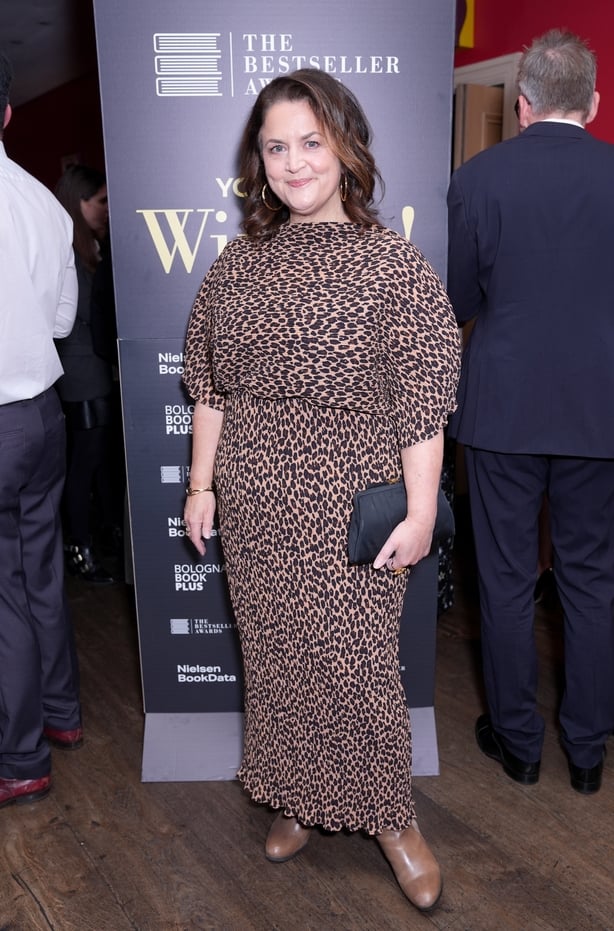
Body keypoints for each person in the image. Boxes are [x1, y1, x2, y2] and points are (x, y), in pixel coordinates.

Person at [183, 69, 460, 913]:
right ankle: (299, 798)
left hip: (349, 507)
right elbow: (211, 387)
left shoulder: (391, 264)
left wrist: (419, 511)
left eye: (311, 142)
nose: (294, 162)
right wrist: (201, 486)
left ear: (344, 145)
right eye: (276, 147)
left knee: (357, 667)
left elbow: (422, 401)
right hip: (255, 501)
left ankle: (391, 819)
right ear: (257, 161)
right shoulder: (239, 264)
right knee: (275, 663)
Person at [447, 28, 614, 795]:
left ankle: (517, 745)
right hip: (600, 414)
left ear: (521, 106)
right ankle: (587, 752)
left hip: (503, 412)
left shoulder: (478, 180)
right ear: (594, 101)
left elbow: (459, 301)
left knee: (507, 581)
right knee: (592, 580)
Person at [0, 52, 83, 810]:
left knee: (6, 595)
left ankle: (19, 758)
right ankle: (61, 716)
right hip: (41, 415)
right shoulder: (44, 204)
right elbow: (61, 322)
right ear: (6, 113)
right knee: (39, 571)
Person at [54, 165, 123, 584]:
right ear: (79, 203)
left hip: (94, 373)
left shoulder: (89, 249)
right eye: (100, 201)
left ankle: (93, 543)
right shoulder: (68, 252)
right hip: (81, 378)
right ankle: (79, 551)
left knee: (98, 465)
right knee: (84, 465)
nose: (107, 209)